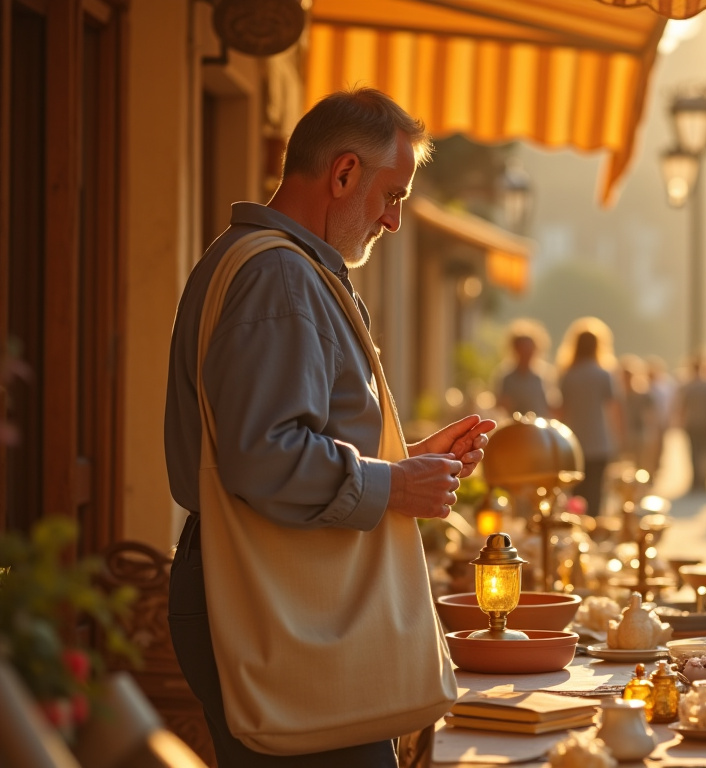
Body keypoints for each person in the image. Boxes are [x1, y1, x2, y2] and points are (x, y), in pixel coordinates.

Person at [163, 88, 495, 766]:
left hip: (267, 592)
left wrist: (405, 462)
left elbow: (272, 439)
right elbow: (263, 457)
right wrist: (393, 487)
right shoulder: (280, 276)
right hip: (277, 603)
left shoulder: (261, 262)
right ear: (343, 174)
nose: (393, 220)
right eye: (392, 195)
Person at [557, 317, 622, 515]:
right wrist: (619, 437)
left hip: (574, 441)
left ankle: (579, 525)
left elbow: (561, 409)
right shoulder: (603, 374)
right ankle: (594, 526)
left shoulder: (568, 375)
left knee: (577, 489)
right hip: (599, 440)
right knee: (596, 490)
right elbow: (615, 408)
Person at [676, 352, 706, 494]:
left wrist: (681, 422)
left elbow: (682, 406)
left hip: (693, 424)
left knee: (694, 454)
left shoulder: (688, 386)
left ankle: (696, 482)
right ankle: (704, 482)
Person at [495, 318, 555, 418]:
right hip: (514, 428)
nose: (525, 354)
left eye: (529, 350)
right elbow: (499, 405)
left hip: (538, 429)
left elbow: (552, 406)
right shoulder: (507, 378)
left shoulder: (543, 377)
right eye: (522, 350)